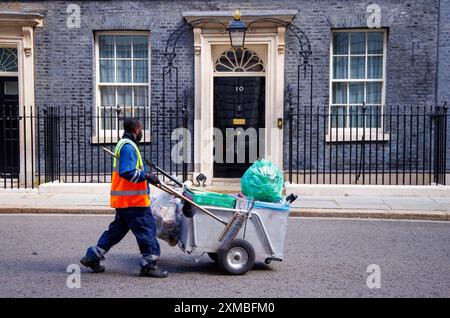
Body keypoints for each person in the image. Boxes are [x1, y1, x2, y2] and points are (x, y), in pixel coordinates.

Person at [80, 117, 168, 278]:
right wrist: (147, 175)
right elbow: (126, 172)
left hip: (125, 201)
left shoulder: (123, 144)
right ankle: (150, 264)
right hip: (134, 202)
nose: (141, 132)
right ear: (136, 129)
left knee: (115, 232)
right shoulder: (128, 147)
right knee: (147, 229)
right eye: (141, 129)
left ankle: (92, 256)